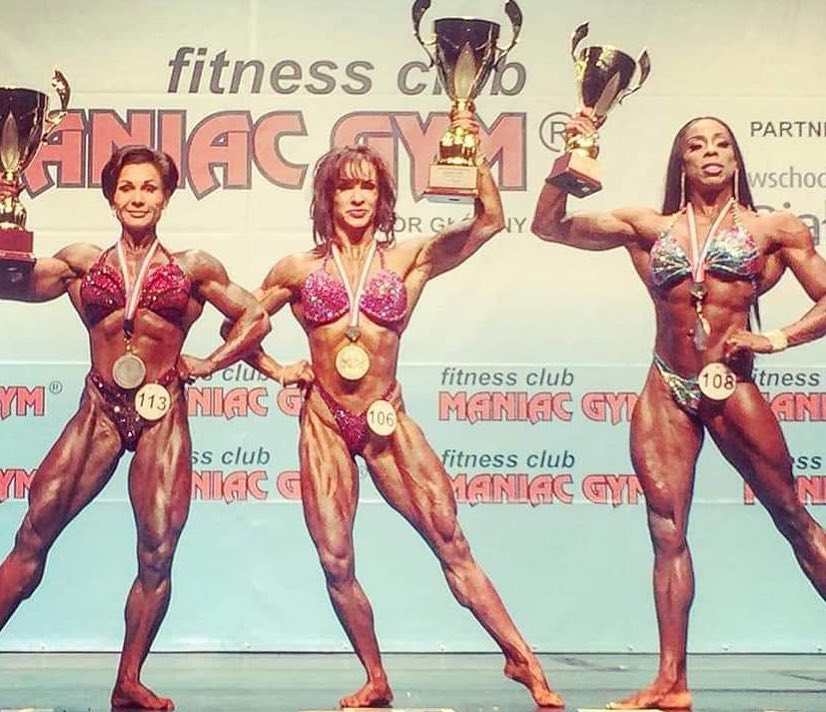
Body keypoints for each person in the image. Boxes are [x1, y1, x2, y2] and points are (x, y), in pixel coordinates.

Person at [243, 115, 563, 708]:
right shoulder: (297, 269)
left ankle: (522, 658)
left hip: (385, 417)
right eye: (346, 186)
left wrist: (471, 158)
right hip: (325, 421)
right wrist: (278, 369)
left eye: (367, 186)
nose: (357, 197)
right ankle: (375, 677)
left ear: (382, 197)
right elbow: (240, 327)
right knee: (335, 558)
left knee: (450, 541)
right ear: (327, 197)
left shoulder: (409, 259)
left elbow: (489, 221)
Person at [531, 112, 826, 710]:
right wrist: (572, 158)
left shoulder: (773, 228)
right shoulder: (648, 227)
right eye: (697, 145)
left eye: (721, 144)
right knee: (666, 532)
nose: (710, 152)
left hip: (730, 384)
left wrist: (774, 339)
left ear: (736, 160)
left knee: (792, 517)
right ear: (682, 162)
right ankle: (671, 681)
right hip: (666, 386)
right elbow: (548, 227)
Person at [0, 145, 269, 710]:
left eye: (149, 188)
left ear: (165, 198)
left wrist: (209, 364)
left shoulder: (193, 268)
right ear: (111, 198)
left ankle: (128, 681)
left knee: (157, 551)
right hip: (99, 408)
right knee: (33, 532)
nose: (138, 197)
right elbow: (16, 283)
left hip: (161, 412)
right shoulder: (82, 263)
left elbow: (255, 316)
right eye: (127, 188)